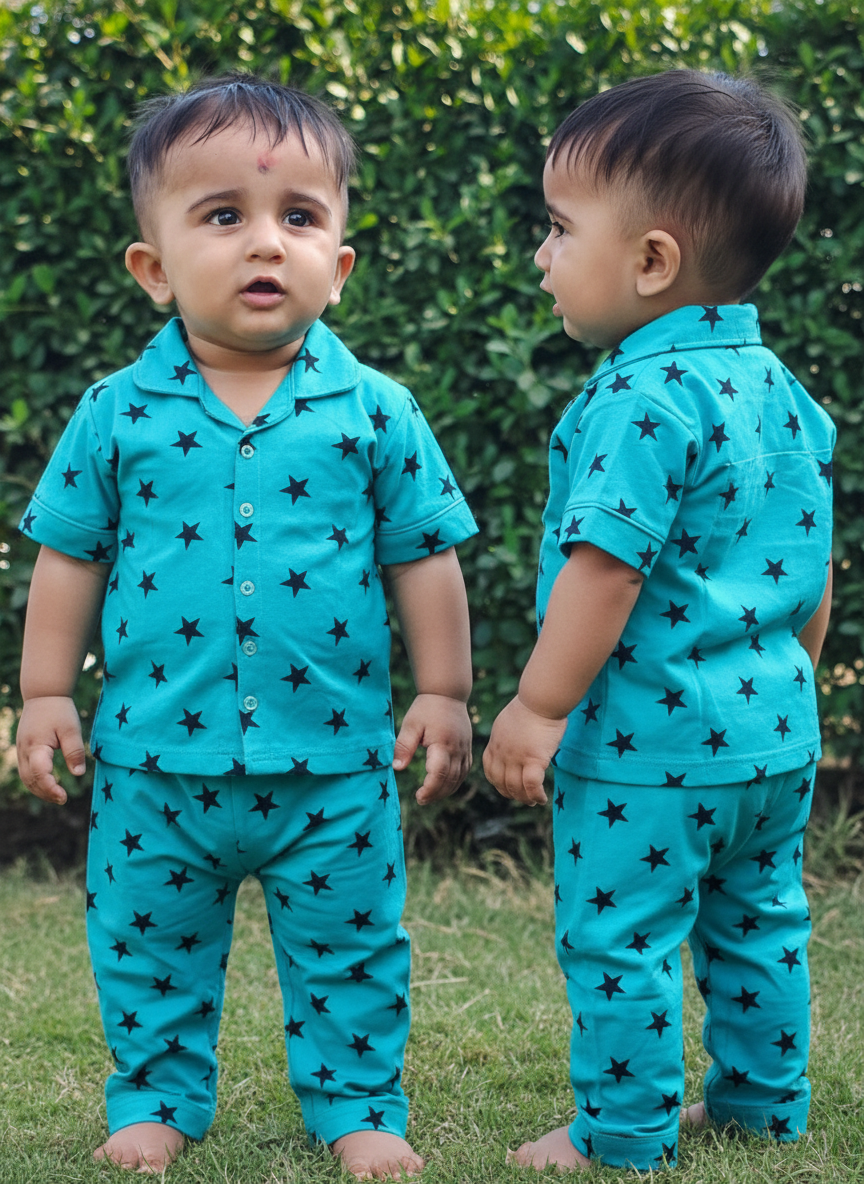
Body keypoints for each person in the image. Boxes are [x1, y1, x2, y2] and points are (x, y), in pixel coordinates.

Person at [16, 73, 477, 1178]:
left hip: (334, 765)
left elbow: (425, 556)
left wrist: (445, 690)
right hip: (153, 763)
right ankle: (158, 1095)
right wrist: (42, 692)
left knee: (353, 948)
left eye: (299, 217)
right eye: (223, 215)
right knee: (146, 946)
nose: (265, 242)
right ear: (153, 267)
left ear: (341, 265)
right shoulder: (115, 412)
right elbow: (68, 554)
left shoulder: (377, 411)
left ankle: (359, 1101)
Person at [484, 69, 834, 1172]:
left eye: (557, 228)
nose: (542, 255)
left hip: (652, 752)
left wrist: (539, 708)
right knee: (761, 920)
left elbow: (605, 571)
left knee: (620, 940)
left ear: (651, 261)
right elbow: (812, 562)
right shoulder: (783, 389)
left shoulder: (640, 399)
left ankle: (622, 1133)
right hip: (773, 734)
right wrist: (793, 676)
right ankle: (763, 1106)